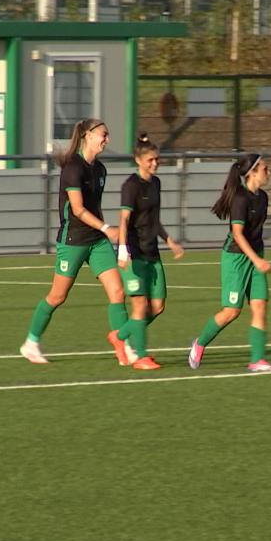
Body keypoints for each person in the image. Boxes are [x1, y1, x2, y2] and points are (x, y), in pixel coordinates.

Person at [19, 118, 131, 366]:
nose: (107, 139)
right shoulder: (73, 168)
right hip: (73, 241)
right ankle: (31, 342)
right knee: (58, 296)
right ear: (87, 136)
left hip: (97, 242)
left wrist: (111, 239)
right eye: (104, 134)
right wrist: (107, 228)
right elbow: (78, 210)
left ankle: (126, 348)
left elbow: (95, 208)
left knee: (118, 291)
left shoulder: (100, 169)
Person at [188, 153, 271, 372]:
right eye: (265, 168)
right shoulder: (240, 199)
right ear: (252, 173)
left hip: (255, 256)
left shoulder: (263, 197)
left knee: (260, 306)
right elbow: (237, 234)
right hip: (237, 258)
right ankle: (199, 343)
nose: (269, 172)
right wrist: (257, 260)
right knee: (231, 311)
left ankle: (257, 360)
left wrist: (258, 257)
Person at [113, 133, 185, 370]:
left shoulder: (156, 183)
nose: (155, 164)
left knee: (158, 306)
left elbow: (154, 219)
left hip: (152, 253)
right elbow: (123, 220)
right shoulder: (130, 186)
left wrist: (169, 240)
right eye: (150, 160)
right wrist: (122, 250)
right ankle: (141, 356)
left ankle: (120, 335)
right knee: (140, 306)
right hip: (133, 254)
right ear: (138, 160)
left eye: (157, 159)